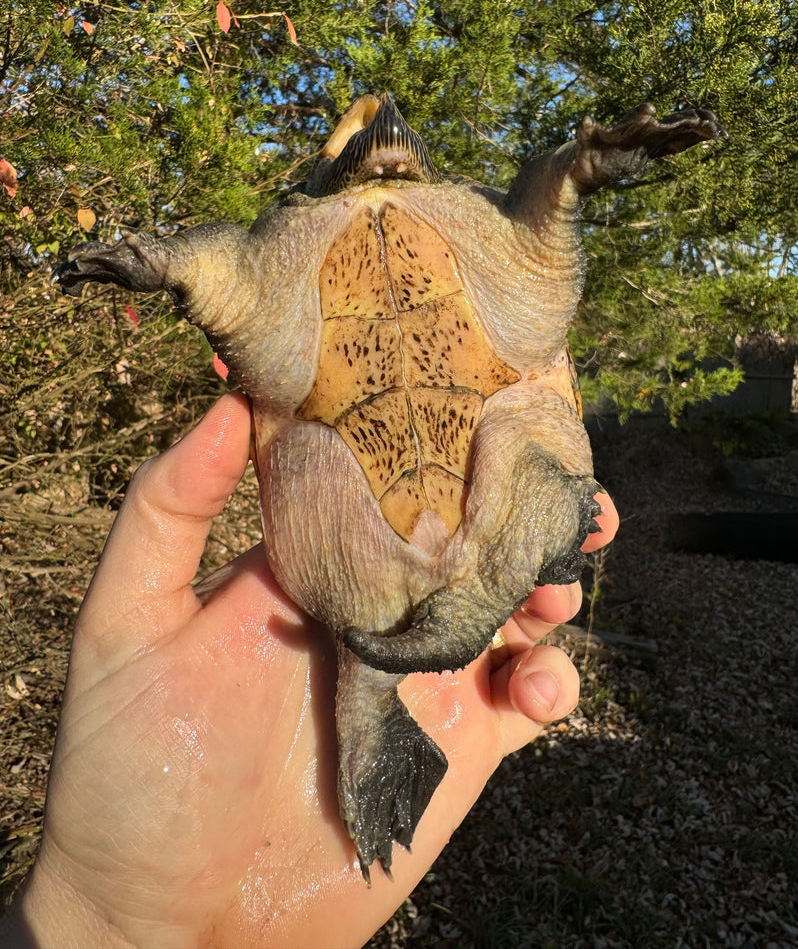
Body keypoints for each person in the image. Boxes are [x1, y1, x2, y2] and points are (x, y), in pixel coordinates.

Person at [0, 393, 618, 949]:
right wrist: (105, 918)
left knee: (543, 529)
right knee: (545, 526)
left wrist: (98, 924)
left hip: (424, 488)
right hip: (460, 492)